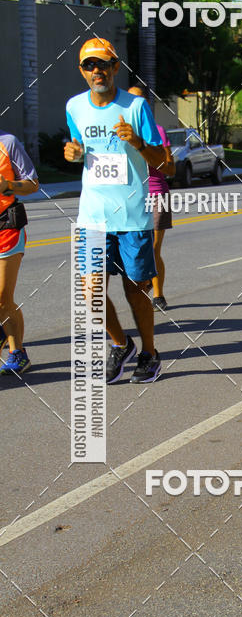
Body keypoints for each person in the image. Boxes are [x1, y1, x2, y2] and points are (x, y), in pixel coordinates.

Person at [64, 37, 167, 383]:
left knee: (134, 289)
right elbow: (80, 150)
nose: (97, 71)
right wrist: (73, 155)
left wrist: (136, 142)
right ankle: (121, 344)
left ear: (115, 68)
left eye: (103, 64)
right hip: (92, 216)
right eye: (89, 65)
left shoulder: (135, 108)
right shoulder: (74, 107)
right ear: (81, 71)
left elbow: (162, 162)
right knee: (91, 292)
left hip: (132, 216)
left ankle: (150, 353)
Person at [128, 85, 175, 311]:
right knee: (138, 247)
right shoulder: (120, 133)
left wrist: (146, 150)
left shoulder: (157, 131)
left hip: (156, 193)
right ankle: (143, 284)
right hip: (132, 196)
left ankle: (158, 294)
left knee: (153, 249)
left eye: (139, 101)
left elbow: (170, 168)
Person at [0, 131, 39, 376]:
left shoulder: (8, 143)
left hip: (6, 228)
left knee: (2, 297)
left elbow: (32, 183)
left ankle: (18, 353)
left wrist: (8, 185)